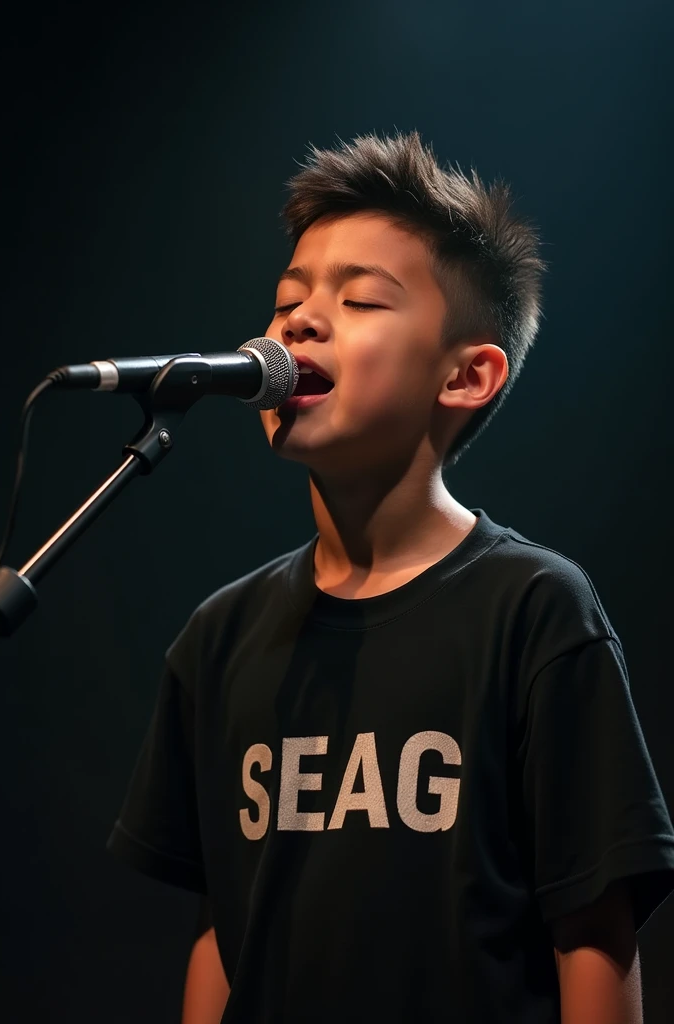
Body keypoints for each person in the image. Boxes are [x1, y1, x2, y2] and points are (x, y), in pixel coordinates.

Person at [106, 130, 674, 1024]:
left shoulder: (534, 612)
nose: (296, 322)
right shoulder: (219, 636)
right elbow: (222, 934)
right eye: (288, 299)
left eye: (361, 299)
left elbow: (593, 937)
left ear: (467, 375)